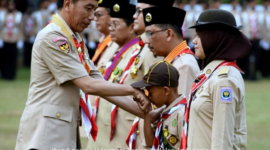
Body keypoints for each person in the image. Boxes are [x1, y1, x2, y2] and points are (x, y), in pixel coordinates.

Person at [15, 0, 148, 149]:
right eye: (88, 8)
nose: (92, 17)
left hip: (59, 133)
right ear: (67, 4)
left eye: (95, 10)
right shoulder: (53, 38)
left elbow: (100, 84)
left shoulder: (74, 39)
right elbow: (88, 85)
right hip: (45, 136)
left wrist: (148, 114)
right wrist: (132, 89)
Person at [87, 0, 163, 148]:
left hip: (126, 132)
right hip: (106, 131)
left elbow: (155, 98)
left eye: (116, 24)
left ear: (131, 29)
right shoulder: (127, 49)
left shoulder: (151, 50)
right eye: (111, 25)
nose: (112, 29)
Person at [181, 9, 251, 150]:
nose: (194, 40)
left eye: (200, 35)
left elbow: (222, 140)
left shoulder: (224, 80)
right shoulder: (212, 72)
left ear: (215, 38)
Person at [142, 6, 200, 101]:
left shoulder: (184, 65)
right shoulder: (173, 62)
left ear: (169, 34)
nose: (147, 41)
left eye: (150, 33)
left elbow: (180, 112)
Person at [132, 61, 187, 149]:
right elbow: (150, 142)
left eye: (150, 93)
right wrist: (146, 112)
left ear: (166, 91)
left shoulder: (181, 114)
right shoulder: (165, 111)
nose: (148, 97)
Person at [0, 0, 23, 80]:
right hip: (5, 38)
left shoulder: (18, 14)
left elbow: (20, 28)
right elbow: (1, 27)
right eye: (9, 5)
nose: (11, 7)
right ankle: (5, 74)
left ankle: (12, 75)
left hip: (14, 38)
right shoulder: (2, 14)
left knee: (13, 58)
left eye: (12, 5)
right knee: (4, 58)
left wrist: (20, 39)